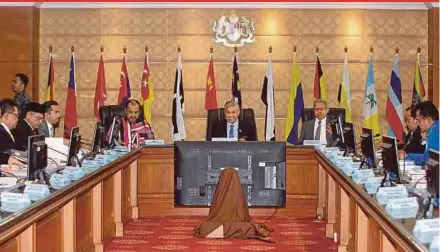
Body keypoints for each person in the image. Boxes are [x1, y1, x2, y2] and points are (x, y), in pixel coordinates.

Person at [403, 101, 439, 165]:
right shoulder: (433, 129)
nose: (417, 123)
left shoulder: (436, 133)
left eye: (419, 120)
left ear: (428, 120)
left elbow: (427, 159)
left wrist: (408, 156)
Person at [0, 99, 24, 167]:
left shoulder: (8, 131)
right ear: (6, 115)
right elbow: (8, 152)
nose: (17, 119)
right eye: (16, 115)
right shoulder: (1, 132)